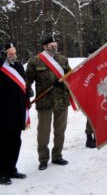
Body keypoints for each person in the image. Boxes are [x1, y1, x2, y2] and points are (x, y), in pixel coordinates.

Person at [26, 35, 71, 171]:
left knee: (60, 130)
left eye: (55, 45)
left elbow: (70, 76)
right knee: (43, 132)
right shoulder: (35, 61)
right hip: (44, 101)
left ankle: (57, 156)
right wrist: (27, 91)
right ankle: (43, 158)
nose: (54, 47)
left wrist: (65, 84)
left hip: (62, 100)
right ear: (44, 46)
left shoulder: (62, 59)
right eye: (51, 45)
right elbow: (27, 80)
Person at [0, 43, 28, 185]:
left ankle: (12, 168)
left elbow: (23, 83)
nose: (14, 56)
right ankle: (2, 173)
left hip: (18, 111)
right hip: (4, 114)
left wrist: (28, 91)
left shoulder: (18, 66)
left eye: (15, 53)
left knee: (16, 141)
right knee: (4, 143)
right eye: (10, 54)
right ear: (4, 54)